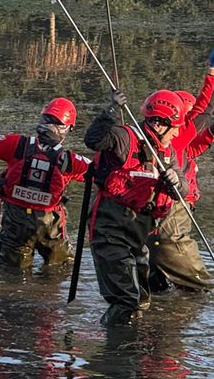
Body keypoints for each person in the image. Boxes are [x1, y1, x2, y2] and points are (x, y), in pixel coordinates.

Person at [84, 89, 190, 325]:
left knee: (141, 299)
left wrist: (175, 180)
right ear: (161, 124)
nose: (177, 132)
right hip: (110, 232)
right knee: (126, 301)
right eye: (175, 127)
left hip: (137, 236)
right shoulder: (124, 137)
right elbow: (93, 140)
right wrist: (110, 111)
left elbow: (183, 190)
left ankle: (129, 348)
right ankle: (113, 354)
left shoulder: (166, 152)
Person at [0, 97, 90, 270]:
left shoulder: (17, 145)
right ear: (69, 128)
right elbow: (102, 173)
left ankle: (13, 295)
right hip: (49, 223)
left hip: (16, 221)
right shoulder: (70, 160)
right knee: (60, 270)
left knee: (12, 272)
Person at [148, 53, 214, 292]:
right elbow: (204, 109)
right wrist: (211, 74)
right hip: (170, 211)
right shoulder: (175, 141)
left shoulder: (182, 144)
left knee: (157, 271)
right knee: (188, 273)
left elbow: (200, 139)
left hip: (177, 207)